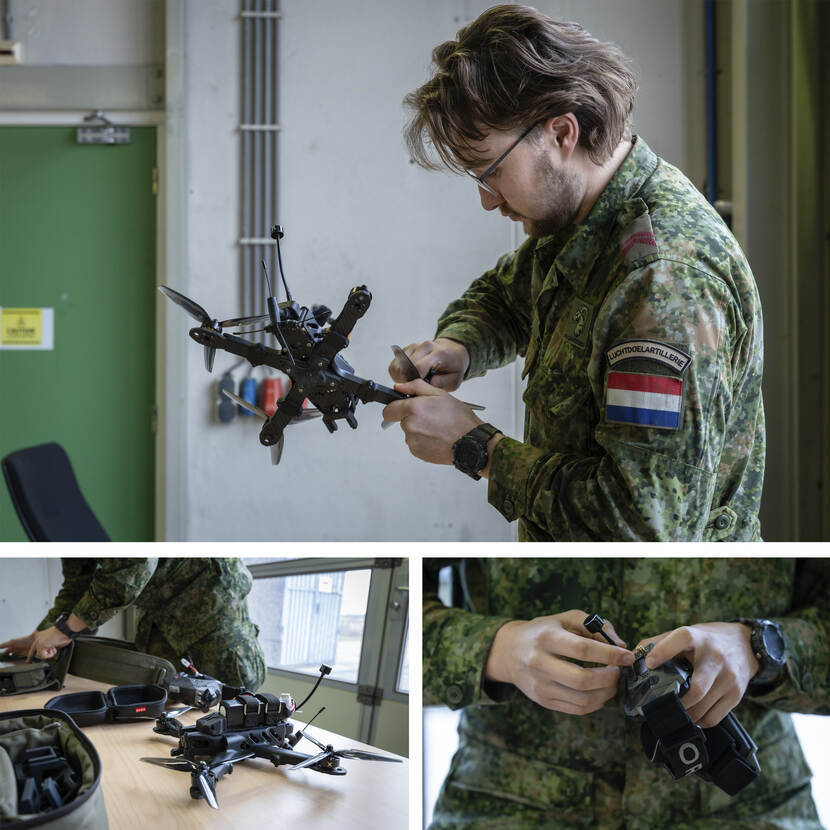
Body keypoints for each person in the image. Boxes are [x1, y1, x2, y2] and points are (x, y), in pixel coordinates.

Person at [382, 5, 764, 541]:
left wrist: (477, 447)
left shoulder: (663, 282)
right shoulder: (586, 216)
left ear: (561, 133)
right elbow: (505, 296)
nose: (488, 200)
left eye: (491, 172)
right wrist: (458, 347)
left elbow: (643, 525)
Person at [424, 558, 829, 829]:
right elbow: (403, 608)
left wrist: (760, 648)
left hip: (748, 809)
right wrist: (498, 649)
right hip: (510, 805)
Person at [0, 558, 266, 690]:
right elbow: (77, 586)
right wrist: (39, 636)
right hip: (159, 606)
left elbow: (135, 566)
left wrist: (65, 630)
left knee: (232, 689)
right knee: (161, 694)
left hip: (208, 596)